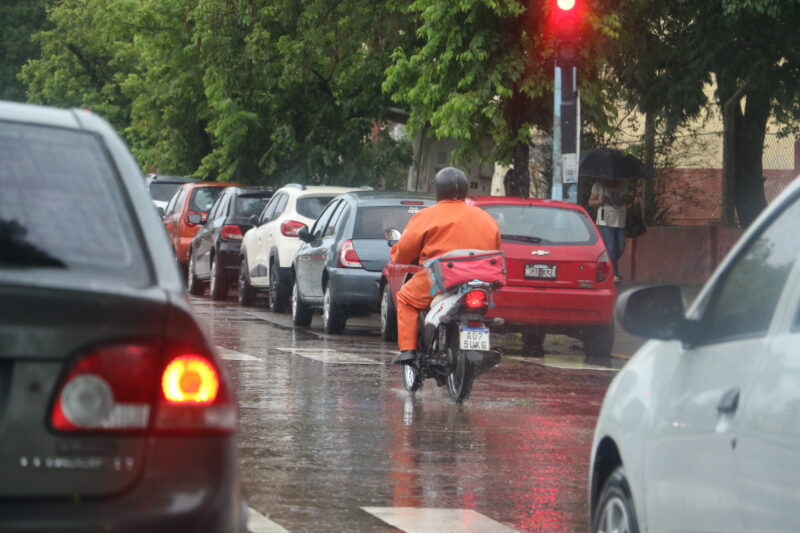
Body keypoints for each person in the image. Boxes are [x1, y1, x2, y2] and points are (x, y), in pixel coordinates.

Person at [390, 167, 501, 366]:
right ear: (466, 190)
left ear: (438, 191)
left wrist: (397, 255)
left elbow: (405, 253)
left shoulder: (426, 216)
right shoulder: (486, 218)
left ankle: (408, 350)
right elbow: (495, 249)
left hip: (439, 280)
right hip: (479, 280)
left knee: (405, 299)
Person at [588, 178, 628, 283]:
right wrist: (600, 201)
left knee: (620, 247)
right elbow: (590, 202)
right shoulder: (599, 185)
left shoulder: (623, 184)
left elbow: (626, 198)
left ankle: (607, 264)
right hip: (605, 221)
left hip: (620, 220)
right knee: (611, 248)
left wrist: (625, 198)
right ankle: (614, 274)